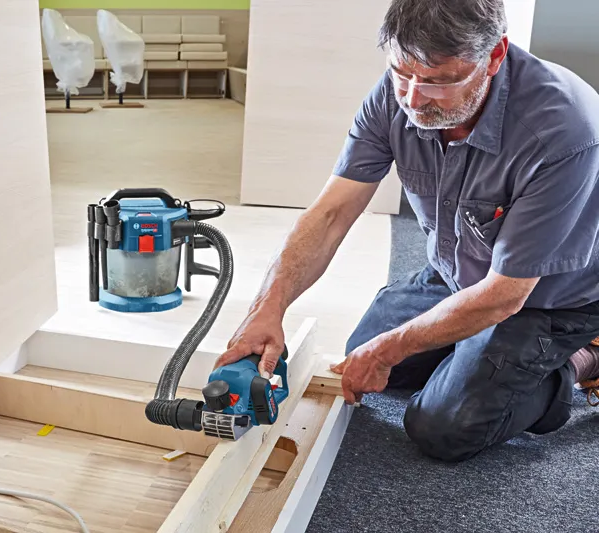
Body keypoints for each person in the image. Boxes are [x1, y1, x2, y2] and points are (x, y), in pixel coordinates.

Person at [215, 0, 599, 462]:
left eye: (439, 81)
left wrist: (396, 344)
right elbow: (331, 213)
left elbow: (507, 294)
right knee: (365, 356)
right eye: (402, 72)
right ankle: (474, 353)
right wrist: (268, 306)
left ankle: (582, 360)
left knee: (443, 427)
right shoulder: (396, 93)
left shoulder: (564, 129)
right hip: (458, 272)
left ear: (494, 56)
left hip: (548, 300)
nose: (413, 99)